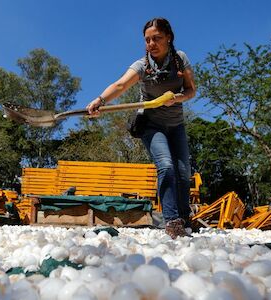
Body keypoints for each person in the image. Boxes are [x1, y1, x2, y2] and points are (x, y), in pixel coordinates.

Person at [86, 17, 196, 239]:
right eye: (147, 40)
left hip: (176, 125)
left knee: (184, 174)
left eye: (156, 38)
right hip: (151, 124)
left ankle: (185, 219)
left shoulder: (180, 59)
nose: (151, 44)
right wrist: (100, 100)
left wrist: (177, 98)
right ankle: (172, 221)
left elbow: (191, 90)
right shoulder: (141, 66)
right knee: (166, 166)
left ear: (169, 38)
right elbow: (120, 84)